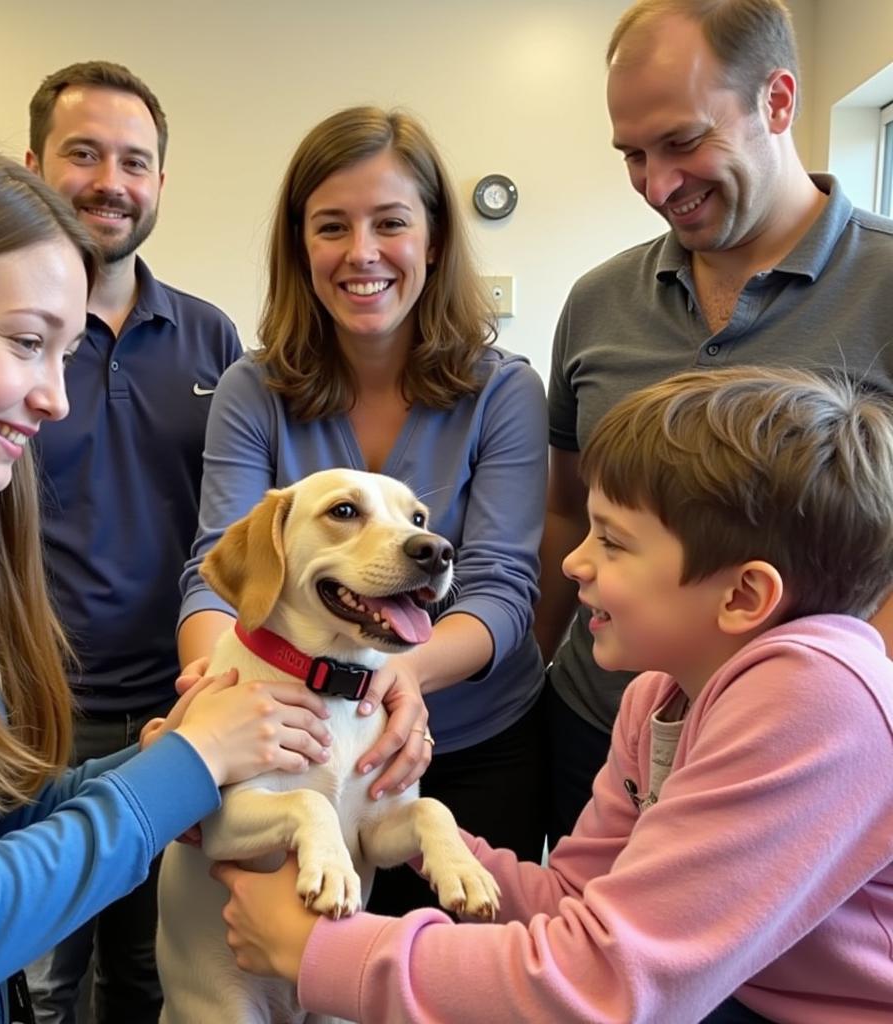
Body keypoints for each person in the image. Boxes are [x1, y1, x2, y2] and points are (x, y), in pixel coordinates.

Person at [213, 365, 893, 1024]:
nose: (572, 562)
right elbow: (573, 898)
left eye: (613, 543)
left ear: (743, 596)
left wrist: (322, 952)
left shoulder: (817, 698)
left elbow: (604, 986)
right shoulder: (657, 696)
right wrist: (418, 833)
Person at [0, 115, 332, 1024]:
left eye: (66, 349)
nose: (56, 395)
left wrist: (158, 758)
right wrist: (194, 762)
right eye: (26, 341)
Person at [535, 0, 893, 847]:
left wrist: (838, 718)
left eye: (684, 142)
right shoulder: (597, 302)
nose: (658, 186)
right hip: (595, 727)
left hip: (790, 767)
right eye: (633, 154)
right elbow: (566, 511)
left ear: (777, 101)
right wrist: (527, 685)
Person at [176, 105, 549, 915]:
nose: (362, 253)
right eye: (331, 227)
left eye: (391, 223)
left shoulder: (506, 390)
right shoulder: (254, 389)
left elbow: (502, 586)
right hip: (297, 735)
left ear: (436, 240)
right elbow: (217, 568)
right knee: (301, 967)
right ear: (300, 245)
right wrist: (215, 687)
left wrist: (393, 675)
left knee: (463, 981)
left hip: (479, 742)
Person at [21, 61, 242, 1024]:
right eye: (84, 153)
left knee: (157, 971)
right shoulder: (3, 334)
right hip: (27, 715)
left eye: (136, 162)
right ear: (32, 165)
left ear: (159, 183)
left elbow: (239, 538)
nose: (112, 180)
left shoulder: (211, 339)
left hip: (179, 712)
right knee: (36, 974)